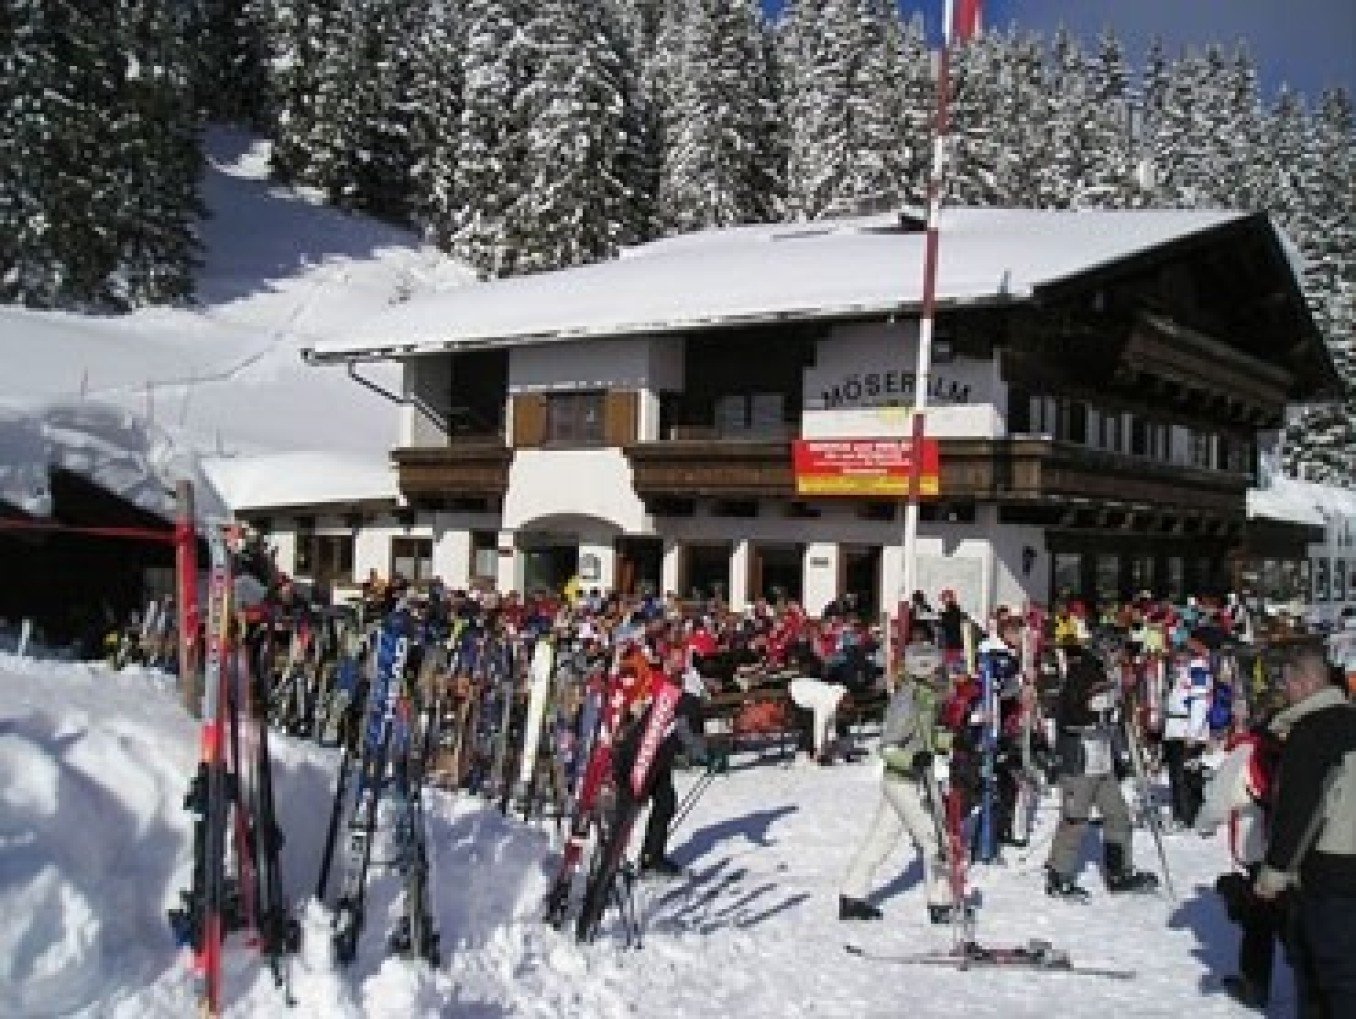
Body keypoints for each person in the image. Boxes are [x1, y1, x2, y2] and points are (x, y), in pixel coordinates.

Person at [1254, 651, 1356, 1018]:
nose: (1286, 692)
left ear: (1308, 684)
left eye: (1289, 684)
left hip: (1329, 861)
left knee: (1328, 966)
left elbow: (1299, 808)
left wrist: (1275, 870)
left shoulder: (1311, 732)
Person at [839, 625, 957, 924]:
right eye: (937, 671)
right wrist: (913, 759)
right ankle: (940, 903)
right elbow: (888, 747)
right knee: (935, 841)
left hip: (909, 780)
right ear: (923, 670)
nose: (942, 677)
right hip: (904, 782)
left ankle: (851, 896)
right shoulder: (908, 700)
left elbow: (925, 736)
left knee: (881, 838)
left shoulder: (926, 697)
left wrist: (951, 741)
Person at [1044, 643, 1159, 898]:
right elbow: (1077, 712)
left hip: (1102, 761)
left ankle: (1119, 870)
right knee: (1075, 820)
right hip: (1080, 762)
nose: (1119, 657)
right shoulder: (1082, 675)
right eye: (1115, 652)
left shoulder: (1106, 676)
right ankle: (1058, 874)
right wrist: (1110, 702)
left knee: (1117, 815)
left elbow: (1110, 713)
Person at [1162, 634, 1212, 829]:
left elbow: (1199, 704)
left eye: (1183, 652)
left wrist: (1193, 733)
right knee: (1179, 774)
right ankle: (1183, 814)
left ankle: (1186, 816)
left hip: (1186, 730)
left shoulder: (1198, 671)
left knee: (1184, 776)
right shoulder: (1185, 671)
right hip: (1176, 728)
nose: (1178, 656)